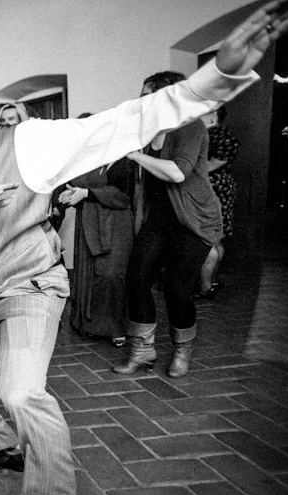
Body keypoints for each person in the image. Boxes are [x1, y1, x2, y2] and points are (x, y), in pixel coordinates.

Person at [0, 2, 288, 495]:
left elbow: (125, 122)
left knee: (20, 390)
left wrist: (215, 78)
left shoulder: (31, 141)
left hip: (33, 284)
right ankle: (3, 448)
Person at [114, 71, 224, 379]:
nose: (142, 100)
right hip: (160, 221)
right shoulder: (151, 132)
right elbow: (144, 187)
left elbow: (177, 172)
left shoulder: (191, 126)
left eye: (147, 94)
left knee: (177, 288)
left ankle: (181, 352)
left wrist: (136, 155)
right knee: (135, 278)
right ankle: (142, 350)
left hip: (194, 221)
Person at [57, 115, 135, 347]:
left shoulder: (124, 159)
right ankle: (89, 325)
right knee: (88, 274)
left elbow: (124, 195)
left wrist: (87, 194)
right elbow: (76, 185)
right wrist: (71, 194)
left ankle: (116, 328)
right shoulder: (87, 158)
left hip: (116, 223)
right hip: (89, 222)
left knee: (111, 274)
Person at [198, 105, 240, 297]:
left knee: (208, 239)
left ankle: (206, 287)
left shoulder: (216, 136)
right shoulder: (218, 135)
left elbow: (208, 166)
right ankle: (211, 283)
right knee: (216, 238)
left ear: (214, 114)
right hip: (220, 187)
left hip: (212, 189)